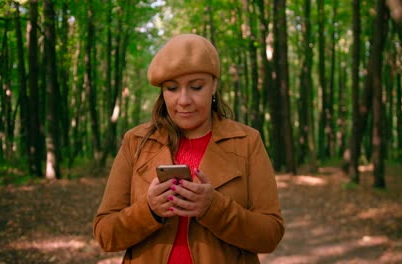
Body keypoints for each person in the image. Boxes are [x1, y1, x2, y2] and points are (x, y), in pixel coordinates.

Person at [93, 33, 284, 263]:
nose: (183, 100)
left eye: (196, 87)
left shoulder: (247, 141)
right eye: (172, 88)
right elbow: (105, 234)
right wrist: (149, 210)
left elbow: (270, 235)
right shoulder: (135, 141)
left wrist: (213, 208)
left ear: (214, 85)